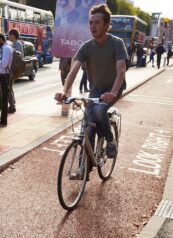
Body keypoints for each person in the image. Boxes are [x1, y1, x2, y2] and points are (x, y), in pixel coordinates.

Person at [55, 4, 127, 164]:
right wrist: (65, 93)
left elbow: (121, 71)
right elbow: (73, 71)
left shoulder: (117, 43)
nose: (92, 26)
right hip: (96, 90)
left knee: (100, 110)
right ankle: (84, 167)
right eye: (91, 22)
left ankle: (110, 140)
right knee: (88, 124)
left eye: (97, 22)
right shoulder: (86, 47)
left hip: (113, 88)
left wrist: (113, 93)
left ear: (107, 25)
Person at [7, 28, 23, 114]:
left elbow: (17, 56)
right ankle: (11, 105)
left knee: (9, 87)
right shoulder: (13, 43)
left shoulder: (17, 44)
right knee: (9, 87)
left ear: (14, 36)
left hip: (13, 69)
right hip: (11, 68)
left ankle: (12, 106)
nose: (9, 37)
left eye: (10, 35)